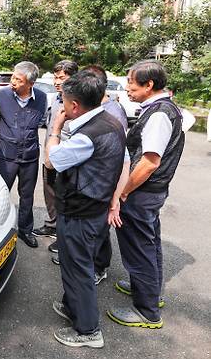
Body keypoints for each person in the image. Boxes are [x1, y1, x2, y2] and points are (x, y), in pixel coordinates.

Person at [45, 71, 128, 348]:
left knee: (77, 268)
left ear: (75, 106)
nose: (62, 108)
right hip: (96, 206)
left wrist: (55, 128)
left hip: (81, 210)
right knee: (77, 263)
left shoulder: (87, 136)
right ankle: (73, 307)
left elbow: (53, 160)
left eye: (64, 103)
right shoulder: (112, 122)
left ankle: (88, 330)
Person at [107, 60, 185, 329]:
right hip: (150, 193)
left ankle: (147, 310)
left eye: (131, 82)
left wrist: (124, 192)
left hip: (141, 194)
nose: (127, 88)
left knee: (139, 248)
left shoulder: (160, 114)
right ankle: (150, 291)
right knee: (149, 244)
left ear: (148, 85)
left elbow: (150, 161)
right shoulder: (162, 109)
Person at [0, 61, 47, 248]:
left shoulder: (41, 97)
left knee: (27, 195)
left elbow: (40, 122)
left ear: (30, 84)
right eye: (13, 77)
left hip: (30, 156)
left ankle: (25, 230)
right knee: (0, 194)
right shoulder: (1, 95)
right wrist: (4, 137)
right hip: (4, 155)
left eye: (18, 79)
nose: (13, 81)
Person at [35, 60, 78, 250]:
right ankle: (53, 225)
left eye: (62, 77)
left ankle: (64, 237)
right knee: (50, 193)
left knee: (65, 199)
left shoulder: (76, 103)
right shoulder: (56, 99)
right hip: (49, 156)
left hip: (65, 161)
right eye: (55, 77)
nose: (57, 81)